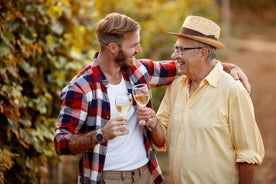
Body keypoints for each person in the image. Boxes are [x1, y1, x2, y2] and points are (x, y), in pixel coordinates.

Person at [54, 13, 251, 184]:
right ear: (113, 48)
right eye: (133, 45)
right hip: (106, 177)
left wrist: (229, 67)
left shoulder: (139, 70)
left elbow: (191, 65)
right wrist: (101, 134)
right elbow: (61, 143)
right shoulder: (81, 88)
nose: (139, 49)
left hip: (145, 174)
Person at [136, 15, 265, 184]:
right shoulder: (176, 85)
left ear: (203, 53)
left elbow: (248, 156)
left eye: (182, 50)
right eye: (176, 48)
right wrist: (153, 123)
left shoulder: (233, 91)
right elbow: (162, 139)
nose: (175, 55)